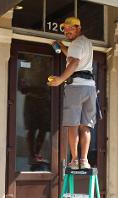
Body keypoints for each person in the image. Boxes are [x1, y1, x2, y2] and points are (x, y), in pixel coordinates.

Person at [47, 17, 96, 169]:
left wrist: (61, 79)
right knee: (85, 126)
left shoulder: (76, 43)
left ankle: (74, 161)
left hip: (76, 87)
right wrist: (62, 47)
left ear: (78, 28)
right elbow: (75, 58)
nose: (67, 31)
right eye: (65, 29)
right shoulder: (86, 42)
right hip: (90, 88)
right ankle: (84, 161)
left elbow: (74, 62)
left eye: (70, 28)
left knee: (73, 125)